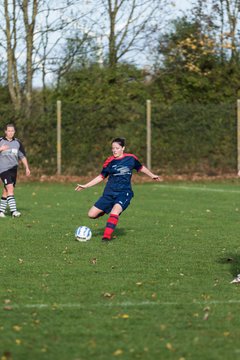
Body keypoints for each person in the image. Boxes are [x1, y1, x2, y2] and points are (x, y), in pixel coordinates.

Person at [75, 137, 161, 241]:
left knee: (115, 212)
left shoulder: (131, 159)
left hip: (124, 192)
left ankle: (106, 237)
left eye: (117, 148)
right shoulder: (109, 161)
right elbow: (101, 176)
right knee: (91, 215)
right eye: (113, 148)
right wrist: (86, 185)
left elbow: (141, 168)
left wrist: (152, 175)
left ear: (123, 148)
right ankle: (104, 211)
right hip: (109, 193)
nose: (114, 150)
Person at [0, 124, 31, 218]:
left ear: (14, 132)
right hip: (3, 169)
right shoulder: (1, 141)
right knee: (10, 188)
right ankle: (14, 212)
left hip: (13, 169)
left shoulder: (17, 142)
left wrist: (27, 167)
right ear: (5, 131)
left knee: (6, 191)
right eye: (9, 131)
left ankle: (1, 211)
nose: (10, 132)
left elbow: (22, 156)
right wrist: (1, 149)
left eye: (12, 131)